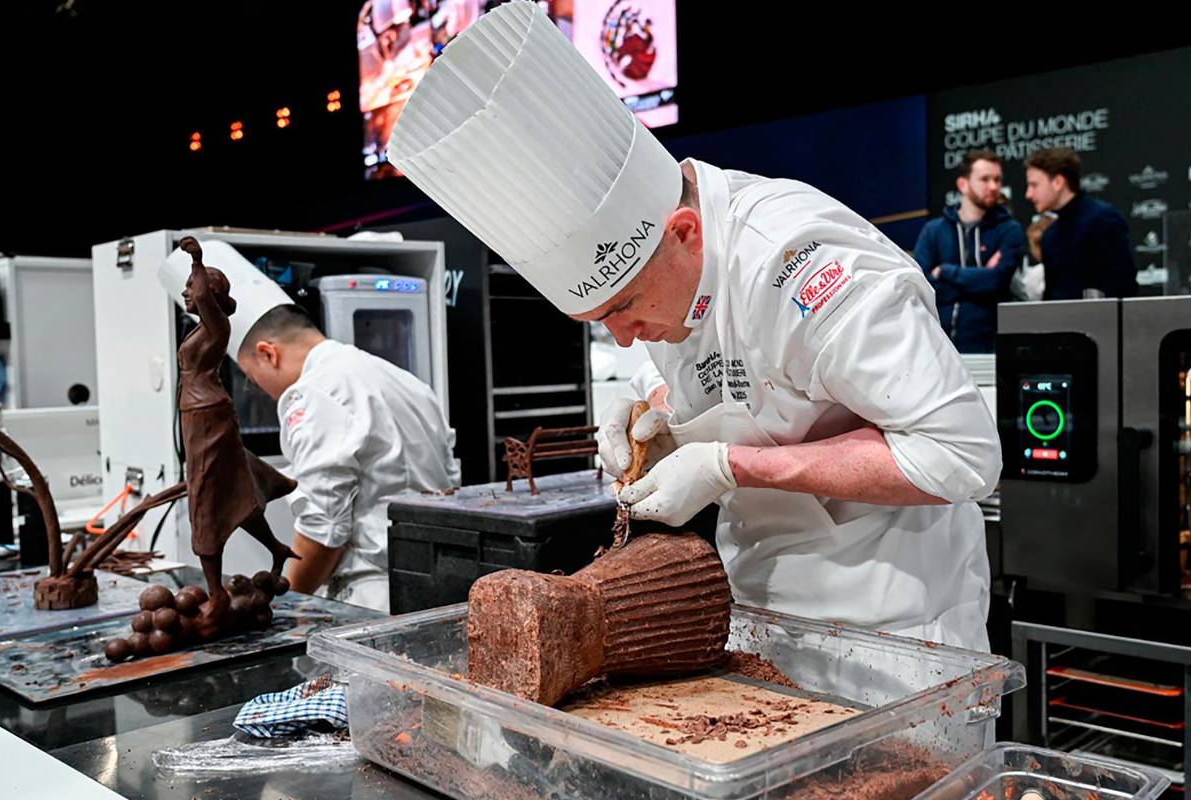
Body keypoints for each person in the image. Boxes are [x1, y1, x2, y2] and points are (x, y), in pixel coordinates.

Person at [387, 2, 998, 650]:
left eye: (622, 307)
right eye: (596, 321)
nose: (622, 337)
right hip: (761, 616)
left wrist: (727, 466)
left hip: (900, 630)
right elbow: (726, 381)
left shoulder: (804, 267)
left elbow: (961, 457)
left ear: (684, 233)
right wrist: (660, 420)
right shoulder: (669, 279)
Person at [235, 304, 460, 611]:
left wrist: (286, 607)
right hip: (441, 585)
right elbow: (452, 479)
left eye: (251, 377)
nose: (263, 392)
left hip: (372, 600)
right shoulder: (402, 379)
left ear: (268, 354)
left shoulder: (315, 392)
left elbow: (323, 531)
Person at [175, 237, 298, 637]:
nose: (185, 294)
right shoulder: (202, 330)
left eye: (190, 288)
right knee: (230, 489)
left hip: (206, 417)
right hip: (201, 415)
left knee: (205, 498)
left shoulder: (217, 324)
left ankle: (216, 595)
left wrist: (196, 259)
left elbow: (206, 301)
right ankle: (276, 548)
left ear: (207, 294)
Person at [913, 150, 1025, 352]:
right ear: (963, 184)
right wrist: (980, 281)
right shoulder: (933, 231)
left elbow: (997, 282)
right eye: (985, 179)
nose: (994, 187)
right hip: (939, 348)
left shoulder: (1009, 229)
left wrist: (947, 272)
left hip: (991, 349)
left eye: (997, 179)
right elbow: (922, 288)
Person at [1023, 147, 1136, 299]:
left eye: (1034, 185)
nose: (1028, 194)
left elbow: (1123, 286)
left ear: (1058, 182)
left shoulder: (1103, 220)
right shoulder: (1050, 235)